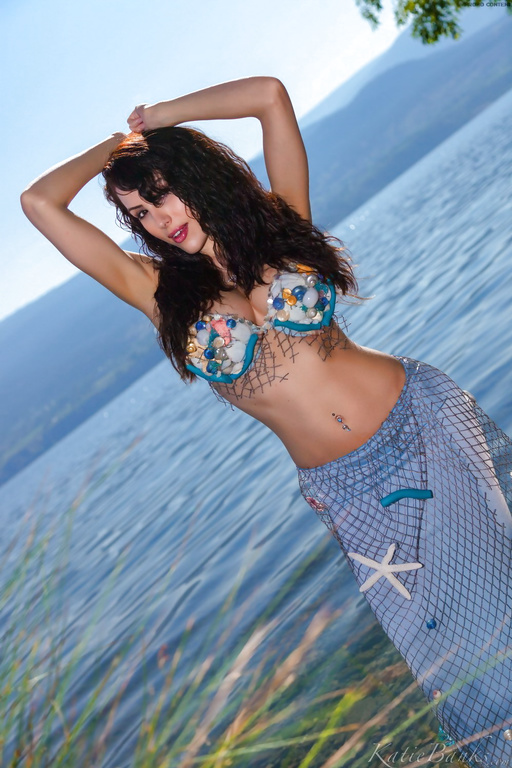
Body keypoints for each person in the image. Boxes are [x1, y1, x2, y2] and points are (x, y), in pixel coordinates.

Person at [21, 76, 512, 767]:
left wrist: (157, 120)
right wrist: (115, 150)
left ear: (194, 176)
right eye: (140, 213)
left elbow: (270, 98)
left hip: (421, 420)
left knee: (503, 589)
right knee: (452, 647)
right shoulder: (160, 292)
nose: (159, 219)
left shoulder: (282, 227)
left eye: (162, 192)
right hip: (347, 489)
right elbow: (39, 203)